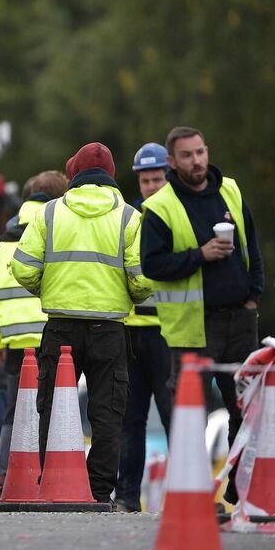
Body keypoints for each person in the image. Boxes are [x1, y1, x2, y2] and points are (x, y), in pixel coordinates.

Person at [12, 143, 152, 505]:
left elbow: (23, 267)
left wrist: (50, 288)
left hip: (61, 328)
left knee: (53, 408)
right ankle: (99, 491)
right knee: (107, 414)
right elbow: (144, 279)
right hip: (110, 330)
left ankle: (54, 484)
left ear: (73, 175)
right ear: (112, 176)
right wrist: (127, 297)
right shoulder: (129, 217)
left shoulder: (49, 213)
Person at [140, 126, 264, 504]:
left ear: (207, 152)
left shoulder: (230, 189)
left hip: (239, 318)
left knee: (246, 406)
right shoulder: (160, 207)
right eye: (187, 155)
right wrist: (199, 254)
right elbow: (152, 264)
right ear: (172, 162)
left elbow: (251, 244)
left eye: (200, 152)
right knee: (189, 413)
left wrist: (254, 293)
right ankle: (191, 495)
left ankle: (240, 490)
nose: (196, 161)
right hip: (195, 326)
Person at [0, 170, 67, 485]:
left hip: (14, 339)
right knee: (54, 409)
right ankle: (46, 476)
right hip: (52, 333)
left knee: (15, 410)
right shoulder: (57, 231)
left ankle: (6, 476)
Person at [116, 142, 174, 513]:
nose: (152, 186)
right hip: (133, 332)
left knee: (176, 418)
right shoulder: (131, 218)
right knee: (130, 419)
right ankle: (125, 497)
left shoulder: (179, 216)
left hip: (170, 332)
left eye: (158, 179)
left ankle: (189, 494)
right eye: (146, 180)